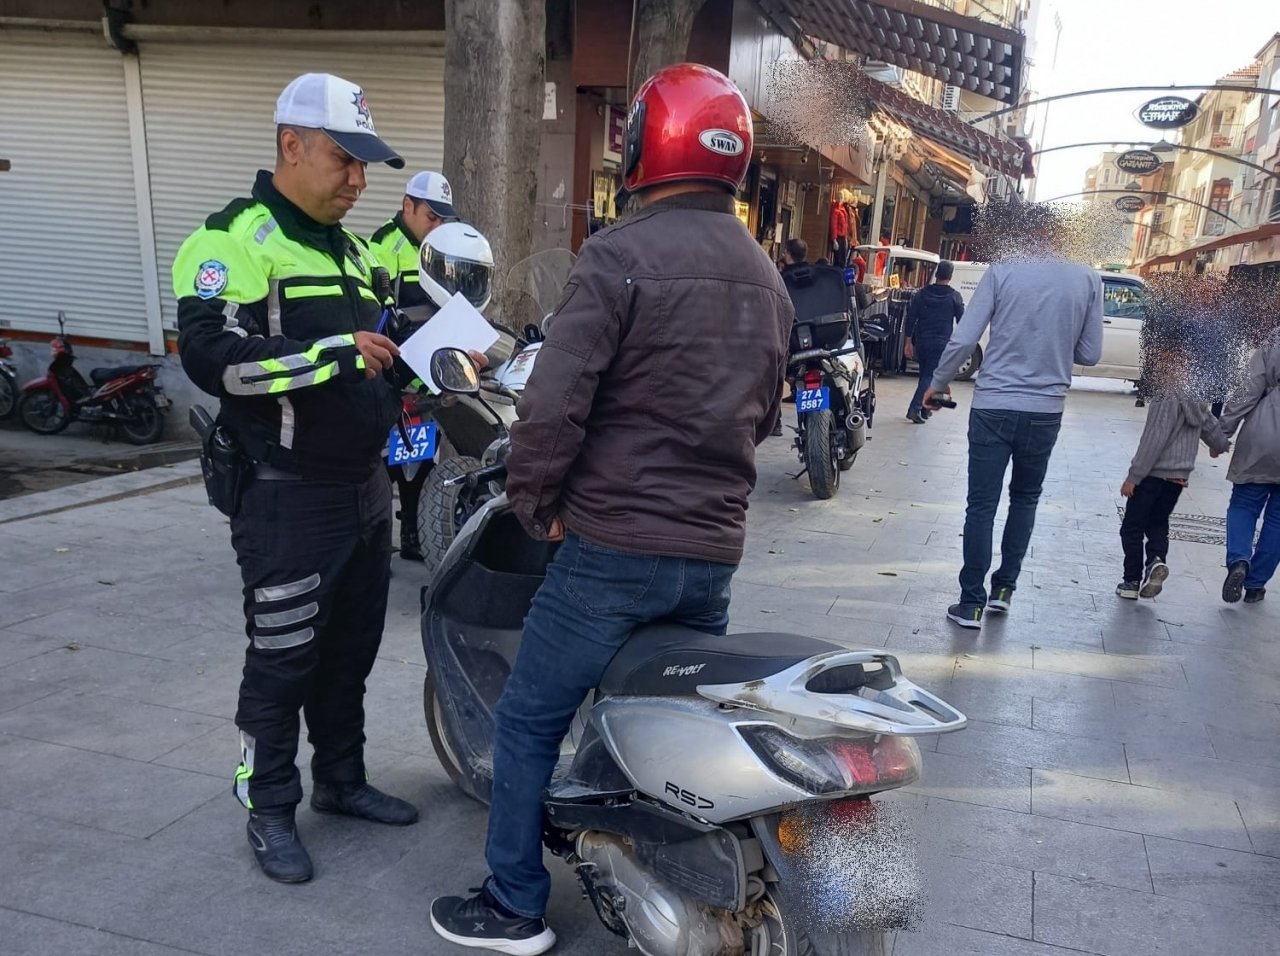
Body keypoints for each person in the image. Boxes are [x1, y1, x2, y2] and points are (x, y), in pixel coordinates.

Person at [429, 62, 793, 954]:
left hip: (613, 551)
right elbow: (766, 416)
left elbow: (553, 405)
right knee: (663, 703)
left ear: (643, 145)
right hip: (711, 559)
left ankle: (515, 903)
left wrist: (535, 500)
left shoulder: (621, 254)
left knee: (527, 718)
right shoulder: (766, 276)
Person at [173, 72, 419, 884]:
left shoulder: (354, 251)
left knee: (349, 653)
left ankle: (340, 782)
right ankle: (268, 805)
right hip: (285, 495)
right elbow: (213, 364)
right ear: (291, 145)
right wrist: (330, 354)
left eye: (364, 166)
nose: (358, 181)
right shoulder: (229, 242)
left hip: (365, 491)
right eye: (345, 161)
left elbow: (379, 356)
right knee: (282, 660)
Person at [924, 231, 1104, 629]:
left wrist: (937, 383)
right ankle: (1004, 589)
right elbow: (1090, 353)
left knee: (981, 506)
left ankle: (970, 603)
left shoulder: (1003, 271)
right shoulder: (1088, 278)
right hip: (1046, 410)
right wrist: (1053, 345)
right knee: (1025, 499)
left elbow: (964, 337)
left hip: (993, 406)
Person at [369, 171, 458, 561]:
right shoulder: (380, 248)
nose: (437, 226)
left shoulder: (440, 249)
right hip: (391, 373)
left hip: (427, 376)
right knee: (383, 462)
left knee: (422, 460)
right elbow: (379, 315)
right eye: (431, 217)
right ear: (408, 206)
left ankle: (413, 534)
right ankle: (375, 539)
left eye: (443, 219)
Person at [1116, 348, 1229, 600]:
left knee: (1132, 528)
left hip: (1153, 475)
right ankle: (1156, 561)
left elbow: (1154, 439)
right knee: (1157, 523)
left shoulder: (1166, 395)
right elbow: (1209, 423)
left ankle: (1131, 581)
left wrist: (1134, 477)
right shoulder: (1196, 398)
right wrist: (1220, 444)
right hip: (1177, 479)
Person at [1217, 332, 1280, 604]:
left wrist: (1224, 430)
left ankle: (1239, 560)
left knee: (1244, 503)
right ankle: (1256, 585)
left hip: (1264, 431)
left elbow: (1249, 387)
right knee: (1278, 520)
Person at [904, 260, 964, 424]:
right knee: (931, 377)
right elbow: (962, 322)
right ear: (950, 276)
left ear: (936, 274)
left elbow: (911, 318)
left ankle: (925, 409)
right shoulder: (954, 297)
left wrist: (908, 341)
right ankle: (915, 409)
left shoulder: (921, 294)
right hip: (941, 342)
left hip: (922, 341)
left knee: (925, 376)